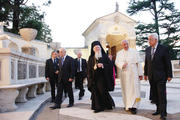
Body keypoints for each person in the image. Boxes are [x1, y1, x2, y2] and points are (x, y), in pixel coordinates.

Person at [144, 33, 172, 120]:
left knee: (161, 95)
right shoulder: (148, 49)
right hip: (151, 76)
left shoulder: (163, 49)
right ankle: (158, 110)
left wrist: (169, 75)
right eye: (148, 39)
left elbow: (168, 63)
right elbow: (146, 63)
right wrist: (145, 74)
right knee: (155, 94)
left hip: (161, 76)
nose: (149, 41)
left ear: (156, 40)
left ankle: (163, 113)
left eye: (150, 39)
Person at [115, 40, 143, 114]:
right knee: (126, 90)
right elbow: (117, 62)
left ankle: (134, 106)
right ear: (122, 45)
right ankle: (127, 105)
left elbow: (138, 63)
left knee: (135, 90)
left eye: (127, 44)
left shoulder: (134, 52)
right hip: (125, 74)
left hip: (134, 73)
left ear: (128, 44)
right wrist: (121, 65)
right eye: (124, 44)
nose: (126, 46)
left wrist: (140, 74)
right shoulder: (119, 53)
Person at [87, 41, 115, 113]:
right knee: (95, 93)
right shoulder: (91, 57)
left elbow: (110, 66)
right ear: (93, 49)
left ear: (100, 48)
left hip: (103, 78)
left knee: (103, 92)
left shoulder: (105, 56)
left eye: (98, 47)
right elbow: (89, 68)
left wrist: (103, 65)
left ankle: (107, 105)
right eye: (96, 48)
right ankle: (98, 107)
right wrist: (94, 67)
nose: (97, 49)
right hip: (94, 78)